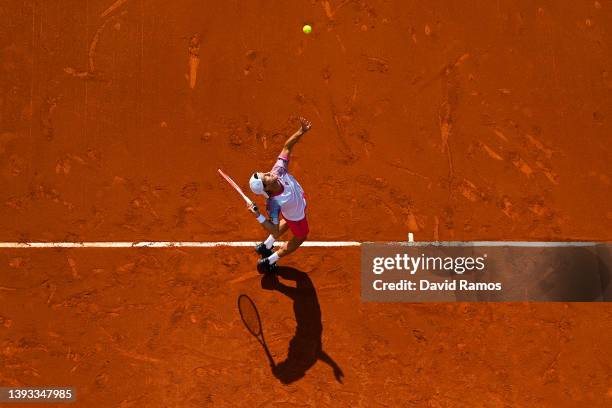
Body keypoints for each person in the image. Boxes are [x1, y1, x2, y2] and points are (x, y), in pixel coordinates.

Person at [248, 117, 311, 273]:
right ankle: (268, 261)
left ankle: (266, 246)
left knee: (287, 220)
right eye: (266, 177)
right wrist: (257, 215)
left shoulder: (278, 170)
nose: (269, 173)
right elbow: (275, 230)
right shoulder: (274, 204)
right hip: (297, 217)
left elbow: (287, 147)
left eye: (265, 173)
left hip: (292, 212)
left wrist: (301, 131)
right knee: (300, 238)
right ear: (267, 187)